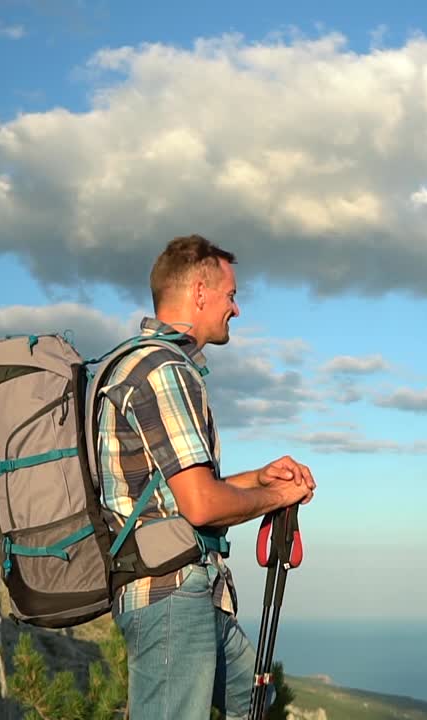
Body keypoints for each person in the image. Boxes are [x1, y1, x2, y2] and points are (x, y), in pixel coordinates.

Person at [96, 234, 316, 720]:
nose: (236, 310)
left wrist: (260, 479)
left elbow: (181, 492)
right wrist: (277, 497)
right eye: (231, 296)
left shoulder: (142, 363)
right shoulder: (163, 370)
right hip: (170, 595)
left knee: (255, 698)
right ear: (199, 292)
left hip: (192, 592)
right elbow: (201, 505)